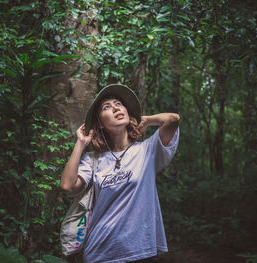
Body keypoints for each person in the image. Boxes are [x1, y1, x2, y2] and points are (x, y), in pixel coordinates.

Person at [60, 84, 180, 263]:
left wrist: (146, 120)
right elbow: (68, 186)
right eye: (106, 107)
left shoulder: (147, 150)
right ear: (100, 123)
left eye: (118, 104)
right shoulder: (93, 160)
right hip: (99, 252)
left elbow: (172, 119)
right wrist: (80, 143)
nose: (115, 107)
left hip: (141, 252)